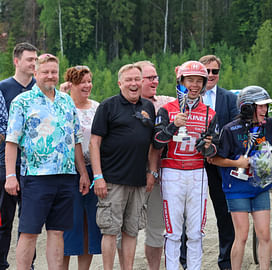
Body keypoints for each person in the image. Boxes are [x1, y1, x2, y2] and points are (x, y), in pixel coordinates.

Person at [209, 84, 272, 270]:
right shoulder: (230, 130)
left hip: (260, 189)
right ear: (247, 107)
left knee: (264, 234)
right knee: (241, 235)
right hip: (237, 190)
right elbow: (215, 159)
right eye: (261, 106)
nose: (265, 109)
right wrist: (237, 163)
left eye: (266, 105)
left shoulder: (270, 125)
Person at [4, 53, 89, 270]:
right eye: (45, 72)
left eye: (54, 72)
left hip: (66, 176)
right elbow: (12, 141)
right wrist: (10, 176)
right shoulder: (22, 102)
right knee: (29, 232)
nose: (50, 76)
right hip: (36, 177)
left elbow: (76, 140)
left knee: (57, 231)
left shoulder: (66, 100)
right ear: (36, 73)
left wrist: (83, 173)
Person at [90, 64, 157, 270]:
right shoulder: (108, 107)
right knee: (110, 230)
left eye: (137, 79)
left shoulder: (148, 107)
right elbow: (94, 143)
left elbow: (153, 144)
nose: (134, 84)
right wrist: (98, 176)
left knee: (132, 231)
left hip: (138, 180)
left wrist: (151, 172)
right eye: (128, 80)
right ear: (120, 83)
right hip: (112, 180)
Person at [153, 60, 218, 270]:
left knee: (196, 232)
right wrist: (173, 126)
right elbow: (156, 141)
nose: (195, 85)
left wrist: (207, 146)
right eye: (190, 80)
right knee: (172, 232)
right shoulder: (166, 109)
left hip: (198, 173)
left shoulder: (210, 113)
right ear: (181, 81)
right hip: (172, 172)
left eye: (199, 81)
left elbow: (213, 150)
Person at [59, 66, 102, 270]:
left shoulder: (97, 107)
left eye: (89, 81)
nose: (87, 85)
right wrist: (62, 95)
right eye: (82, 82)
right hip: (70, 172)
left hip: (94, 169)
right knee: (68, 224)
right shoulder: (64, 106)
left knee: (89, 225)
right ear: (72, 85)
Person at [198, 54, 238, 270]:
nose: (211, 75)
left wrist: (217, 147)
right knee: (192, 214)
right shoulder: (186, 98)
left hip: (219, 162)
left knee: (224, 213)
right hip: (193, 164)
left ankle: (226, 261)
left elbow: (234, 129)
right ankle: (188, 262)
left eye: (215, 71)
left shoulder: (230, 98)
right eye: (207, 71)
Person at [0, 42, 38, 270]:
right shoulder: (3, 88)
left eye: (36, 60)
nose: (33, 64)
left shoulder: (40, 88)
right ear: (16, 61)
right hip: (5, 163)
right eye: (29, 60)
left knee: (29, 222)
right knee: (4, 219)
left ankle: (28, 265)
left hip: (34, 165)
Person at [135, 60, 174, 270]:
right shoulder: (124, 105)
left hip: (159, 175)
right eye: (149, 78)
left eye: (156, 77)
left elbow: (186, 101)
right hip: (130, 175)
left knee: (156, 229)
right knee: (128, 228)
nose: (155, 81)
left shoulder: (166, 102)